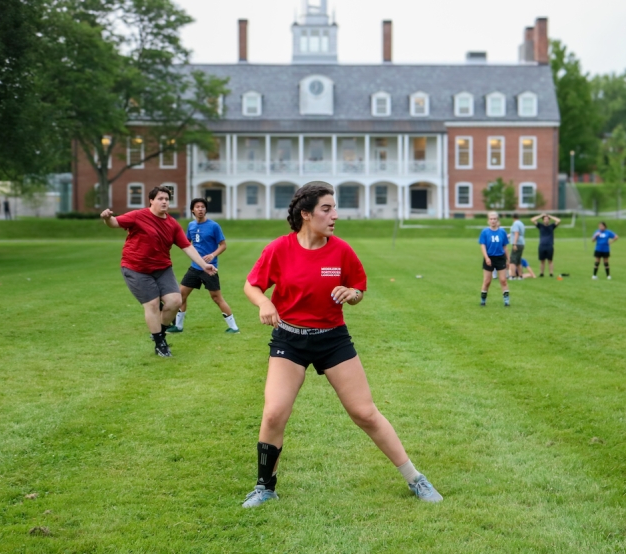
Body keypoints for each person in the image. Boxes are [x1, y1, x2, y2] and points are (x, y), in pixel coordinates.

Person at [241, 181, 442, 508]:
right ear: (306, 214)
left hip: (332, 339)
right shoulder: (279, 249)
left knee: (365, 412)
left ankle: (415, 478)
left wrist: (353, 294)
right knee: (275, 412)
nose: (335, 215)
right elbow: (252, 285)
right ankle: (265, 486)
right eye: (327, 209)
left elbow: (358, 290)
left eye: (334, 208)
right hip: (289, 340)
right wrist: (264, 303)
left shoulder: (341, 250)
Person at [100, 185, 216, 357]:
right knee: (153, 304)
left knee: (175, 301)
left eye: (167, 199)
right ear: (151, 201)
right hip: (136, 268)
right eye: (160, 199)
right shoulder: (138, 216)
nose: (164, 202)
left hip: (162, 269)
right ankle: (160, 342)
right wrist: (107, 218)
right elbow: (114, 223)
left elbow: (186, 246)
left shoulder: (172, 224)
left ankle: (159, 332)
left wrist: (204, 264)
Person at [167, 198, 240, 334]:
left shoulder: (214, 226)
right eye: (197, 207)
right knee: (181, 295)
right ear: (192, 210)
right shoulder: (191, 226)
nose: (200, 209)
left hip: (209, 268)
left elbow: (223, 245)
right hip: (194, 268)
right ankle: (178, 326)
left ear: (206, 210)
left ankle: (234, 327)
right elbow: (186, 242)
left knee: (216, 298)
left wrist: (212, 255)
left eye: (203, 207)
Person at [479, 211, 510, 307]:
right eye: (491, 219)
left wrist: (508, 259)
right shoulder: (485, 232)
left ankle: (506, 301)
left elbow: (505, 246)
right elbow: (482, 245)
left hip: (500, 258)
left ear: (497, 220)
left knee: (503, 280)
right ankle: (483, 300)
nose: (493, 221)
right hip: (489, 258)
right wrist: (486, 257)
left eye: (495, 219)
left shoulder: (502, 232)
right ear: (488, 220)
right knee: (487, 281)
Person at [530, 213, 561, 277]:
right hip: (542, 245)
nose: (546, 220)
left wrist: (550, 216)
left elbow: (558, 220)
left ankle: (551, 273)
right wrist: (541, 215)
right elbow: (532, 220)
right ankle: (541, 273)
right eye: (545, 219)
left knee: (550, 260)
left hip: (549, 245)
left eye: (547, 219)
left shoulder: (552, 226)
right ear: (543, 220)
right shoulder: (540, 226)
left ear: (549, 220)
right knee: (542, 260)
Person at [508, 213, 526, 279]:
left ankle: (512, 276)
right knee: (518, 261)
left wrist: (514, 244)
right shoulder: (521, 223)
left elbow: (516, 233)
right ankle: (520, 276)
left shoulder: (515, 224)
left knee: (512, 260)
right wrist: (508, 236)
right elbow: (516, 233)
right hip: (521, 243)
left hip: (517, 243)